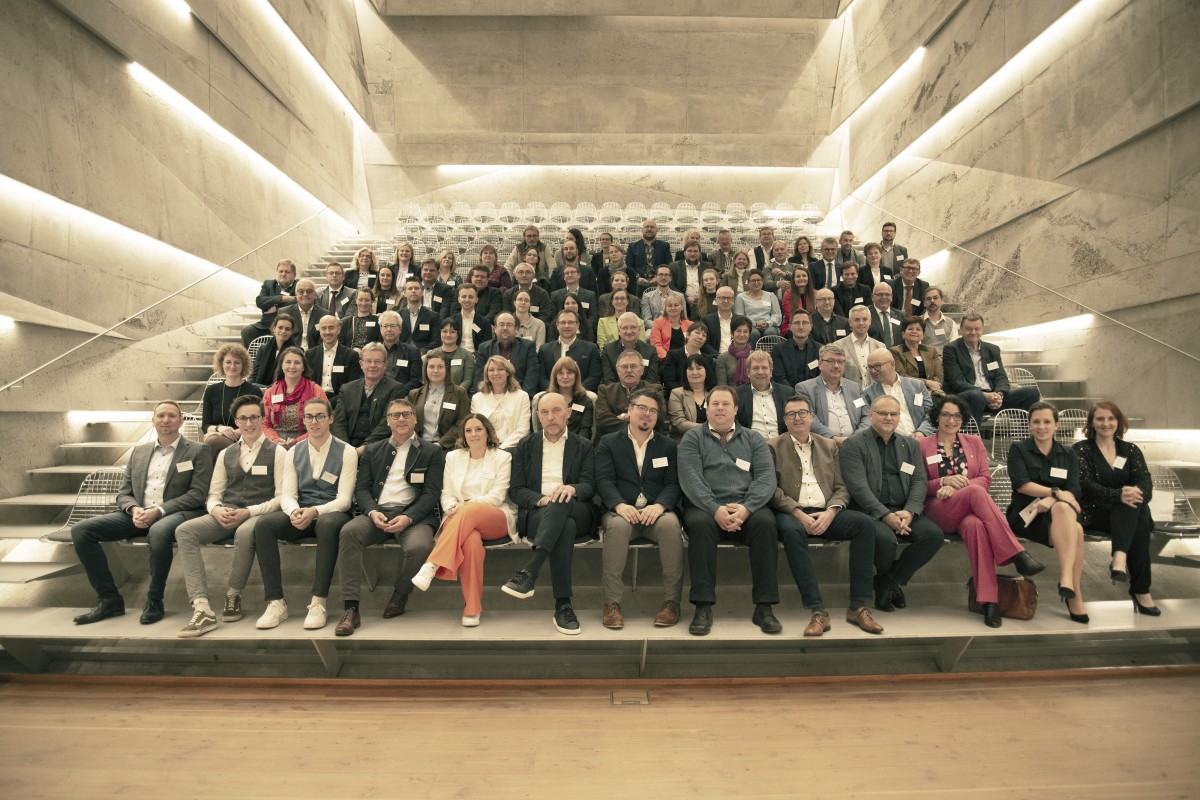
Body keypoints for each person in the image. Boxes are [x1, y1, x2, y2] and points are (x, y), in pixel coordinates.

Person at [70, 401, 213, 625]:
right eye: (161, 416)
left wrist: (158, 510)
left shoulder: (198, 450)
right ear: (153, 420)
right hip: (137, 513)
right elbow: (123, 493)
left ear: (181, 420)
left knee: (157, 531)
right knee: (81, 531)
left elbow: (197, 494)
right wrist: (134, 509)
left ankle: (154, 599)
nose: (166, 420)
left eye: (172, 416)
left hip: (176, 512)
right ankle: (109, 599)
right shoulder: (139, 451)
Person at [919, 395, 1046, 628]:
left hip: (967, 509)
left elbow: (985, 479)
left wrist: (959, 487)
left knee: (976, 526)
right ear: (937, 416)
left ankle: (989, 602)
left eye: (957, 415)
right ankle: (1017, 554)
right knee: (977, 494)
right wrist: (942, 483)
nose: (951, 420)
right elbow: (917, 486)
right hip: (938, 508)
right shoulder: (922, 445)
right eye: (945, 414)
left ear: (963, 419)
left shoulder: (974, 442)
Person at [768, 394, 884, 635]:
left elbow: (842, 487)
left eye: (802, 413)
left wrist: (831, 512)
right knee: (790, 531)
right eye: (791, 414)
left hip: (827, 512)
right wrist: (798, 513)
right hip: (792, 513)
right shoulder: (772, 447)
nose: (797, 418)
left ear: (812, 416)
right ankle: (817, 610)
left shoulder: (829, 445)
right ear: (784, 419)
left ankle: (858, 606)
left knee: (864, 524)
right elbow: (771, 489)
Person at [174, 396, 287, 637]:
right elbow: (214, 493)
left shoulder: (278, 452)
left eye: (254, 417)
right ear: (236, 422)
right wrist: (216, 509)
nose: (249, 423)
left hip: (258, 514)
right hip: (227, 512)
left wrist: (249, 512)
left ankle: (233, 594)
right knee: (185, 531)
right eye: (243, 419)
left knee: (247, 532)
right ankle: (202, 606)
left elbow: (281, 497)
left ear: (262, 419)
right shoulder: (226, 453)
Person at [331, 398, 443, 636]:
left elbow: (432, 493)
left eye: (406, 414)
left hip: (415, 516)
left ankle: (401, 594)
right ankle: (351, 609)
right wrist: (372, 512)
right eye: (395, 415)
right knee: (349, 532)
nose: (401, 419)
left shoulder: (432, 451)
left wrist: (409, 517)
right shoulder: (373, 450)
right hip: (377, 513)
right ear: (388, 421)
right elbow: (361, 489)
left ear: (415, 418)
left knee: (421, 546)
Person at [678, 385, 780, 635]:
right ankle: (703, 606)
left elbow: (766, 478)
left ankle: (764, 606)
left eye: (726, 404)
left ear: (735, 409)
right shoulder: (692, 438)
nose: (720, 408)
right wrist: (715, 509)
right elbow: (691, 479)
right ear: (707, 408)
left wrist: (747, 508)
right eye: (715, 404)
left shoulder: (754, 438)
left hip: (747, 506)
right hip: (705, 507)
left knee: (767, 524)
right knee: (700, 526)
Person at [252, 397, 354, 630]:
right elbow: (288, 493)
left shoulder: (346, 451)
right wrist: (294, 511)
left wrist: (315, 511)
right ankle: (276, 602)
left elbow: (345, 500)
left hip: (332, 511)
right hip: (301, 510)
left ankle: (319, 601)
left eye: (320, 416)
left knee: (327, 526)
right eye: (309, 417)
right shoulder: (294, 451)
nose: (314, 422)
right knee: (264, 525)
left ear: (330, 418)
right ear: (303, 420)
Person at [501, 393, 597, 635]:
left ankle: (530, 571)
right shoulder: (525, 445)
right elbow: (516, 490)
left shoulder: (583, 445)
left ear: (568, 413)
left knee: (561, 501)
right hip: (538, 513)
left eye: (556, 411)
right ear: (538, 416)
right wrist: (540, 499)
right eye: (545, 412)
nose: (551, 417)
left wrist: (571, 489)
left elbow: (590, 485)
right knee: (564, 527)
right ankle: (563, 604)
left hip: (577, 508)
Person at [409, 414, 517, 627]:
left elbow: (497, 497)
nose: (474, 434)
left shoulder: (502, 457)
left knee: (472, 510)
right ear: (463, 435)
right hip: (460, 518)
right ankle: (472, 608)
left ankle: (433, 563)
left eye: (478, 429)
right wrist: (451, 505)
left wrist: (465, 506)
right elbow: (446, 492)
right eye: (469, 430)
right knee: (471, 543)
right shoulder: (453, 457)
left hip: (495, 516)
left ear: (487, 432)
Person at [839, 396, 945, 612]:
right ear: (871, 415)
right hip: (870, 513)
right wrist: (885, 515)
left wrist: (911, 511)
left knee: (933, 535)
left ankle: (888, 581)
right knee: (886, 540)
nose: (888, 417)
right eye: (882, 413)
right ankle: (889, 585)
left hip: (904, 509)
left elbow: (919, 480)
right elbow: (858, 487)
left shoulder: (910, 444)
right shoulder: (854, 444)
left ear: (899, 417)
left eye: (893, 414)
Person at [595, 387, 685, 629]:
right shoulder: (609, 442)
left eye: (653, 411)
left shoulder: (668, 446)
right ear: (629, 410)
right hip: (622, 511)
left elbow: (673, 483)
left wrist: (660, 505)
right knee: (617, 527)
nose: (647, 414)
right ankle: (612, 604)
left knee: (670, 524)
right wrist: (619, 504)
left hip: (655, 514)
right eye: (642, 408)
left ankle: (671, 603)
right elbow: (603, 480)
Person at [1073, 401, 1159, 615]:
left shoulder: (1130, 450)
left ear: (1118, 422)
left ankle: (1120, 557)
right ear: (1092, 422)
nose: (1106, 423)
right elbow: (1085, 486)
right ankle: (1141, 590)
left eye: (1111, 418)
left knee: (1134, 505)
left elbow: (1145, 484)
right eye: (1100, 418)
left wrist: (1130, 494)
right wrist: (1118, 494)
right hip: (1095, 512)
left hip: (1127, 513)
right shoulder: (1081, 450)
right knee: (1135, 511)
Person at [1007, 401, 1089, 623]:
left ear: (1057, 426)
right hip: (1027, 515)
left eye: (1046, 422)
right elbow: (1022, 484)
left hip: (1060, 514)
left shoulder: (1069, 454)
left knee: (1064, 508)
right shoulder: (1019, 449)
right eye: (1036, 422)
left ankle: (1067, 581)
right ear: (1029, 425)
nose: (1041, 427)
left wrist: (1053, 500)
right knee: (1077, 530)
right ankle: (1073, 593)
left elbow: (1073, 491)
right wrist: (1055, 492)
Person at [942, 313, 1040, 427]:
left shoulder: (992, 349)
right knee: (976, 396)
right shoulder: (951, 349)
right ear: (961, 330)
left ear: (982, 330)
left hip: (991, 396)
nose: (973, 332)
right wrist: (984, 395)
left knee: (1031, 392)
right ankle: (973, 441)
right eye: (969, 329)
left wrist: (999, 394)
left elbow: (1001, 377)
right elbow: (957, 382)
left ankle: (1025, 436)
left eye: (977, 329)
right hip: (966, 397)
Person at [331, 342, 406, 455]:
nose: (372, 365)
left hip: (380, 449)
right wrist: (347, 449)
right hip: (347, 449)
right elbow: (338, 423)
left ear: (385, 364)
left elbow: (387, 423)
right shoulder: (347, 389)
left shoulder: (396, 389)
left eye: (377, 361)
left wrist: (364, 448)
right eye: (368, 361)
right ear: (361, 364)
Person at [796, 344, 871, 444]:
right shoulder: (805, 389)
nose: (836, 366)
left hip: (856, 444)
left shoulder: (855, 388)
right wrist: (833, 438)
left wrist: (855, 439)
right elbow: (810, 419)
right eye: (830, 361)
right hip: (823, 444)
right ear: (820, 364)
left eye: (840, 362)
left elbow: (867, 416)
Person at [200, 344, 259, 460]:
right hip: (217, 436)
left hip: (244, 438)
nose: (232, 366)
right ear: (222, 364)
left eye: (237, 362)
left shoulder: (253, 391)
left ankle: (204, 477)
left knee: (212, 441)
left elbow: (258, 422)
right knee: (212, 441)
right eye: (228, 362)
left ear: (243, 365)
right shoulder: (211, 391)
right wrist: (220, 429)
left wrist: (232, 433)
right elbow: (205, 425)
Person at [262, 347, 327, 448]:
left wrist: (297, 441)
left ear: (303, 367)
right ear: (282, 366)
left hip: (308, 442)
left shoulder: (315, 390)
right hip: (274, 443)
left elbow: (323, 422)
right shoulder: (270, 392)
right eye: (288, 362)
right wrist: (275, 440)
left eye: (297, 362)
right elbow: (264, 424)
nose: (292, 366)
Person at [862, 350, 934, 438]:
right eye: (870, 367)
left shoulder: (917, 386)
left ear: (892, 364)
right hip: (893, 443)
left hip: (923, 438)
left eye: (877, 366)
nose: (873, 371)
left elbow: (931, 414)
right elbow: (870, 423)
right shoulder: (868, 394)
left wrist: (922, 432)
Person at [409, 351, 469, 449]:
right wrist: (419, 444)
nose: (435, 370)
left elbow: (462, 423)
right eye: (431, 367)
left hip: (448, 447)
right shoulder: (414, 394)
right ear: (426, 369)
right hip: (418, 446)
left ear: (447, 369)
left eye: (440, 367)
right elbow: (409, 423)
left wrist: (440, 444)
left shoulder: (459, 393)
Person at [595, 350, 664, 436]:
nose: (629, 370)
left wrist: (624, 417)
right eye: (624, 367)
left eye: (633, 366)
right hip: (613, 441)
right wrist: (639, 422)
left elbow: (659, 419)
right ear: (617, 370)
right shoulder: (605, 390)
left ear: (642, 370)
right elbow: (603, 421)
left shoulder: (654, 389)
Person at [471, 355, 532, 449]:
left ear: (508, 372)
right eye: (491, 370)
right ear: (487, 374)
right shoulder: (477, 398)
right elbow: (475, 428)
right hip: (484, 448)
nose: (495, 373)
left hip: (512, 448)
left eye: (500, 369)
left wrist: (502, 448)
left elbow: (523, 429)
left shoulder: (522, 396)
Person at [472, 312, 539, 395]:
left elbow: (532, 375)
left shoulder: (528, 346)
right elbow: (479, 376)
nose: (505, 328)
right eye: (501, 324)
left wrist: (523, 397)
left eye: (509, 325)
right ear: (495, 328)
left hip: (519, 394)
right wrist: (486, 396)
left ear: (516, 329)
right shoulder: (484, 348)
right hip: (491, 395)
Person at [532, 356, 596, 442]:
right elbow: (541, 429)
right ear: (555, 376)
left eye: (569, 373)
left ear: (576, 376)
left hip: (577, 446)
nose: (565, 377)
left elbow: (585, 430)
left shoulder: (585, 400)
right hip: (549, 444)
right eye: (560, 373)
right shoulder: (544, 399)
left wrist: (575, 447)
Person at [538, 309, 602, 392]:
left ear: (578, 325)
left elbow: (594, 376)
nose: (567, 326)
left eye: (571, 322)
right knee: (536, 398)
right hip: (552, 394)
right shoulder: (544, 349)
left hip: (581, 394)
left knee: (592, 397)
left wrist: (576, 391)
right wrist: (554, 391)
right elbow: (541, 378)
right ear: (557, 325)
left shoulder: (591, 348)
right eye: (563, 322)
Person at [304, 315, 361, 407]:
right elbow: (306, 383)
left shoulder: (351, 356)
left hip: (340, 402)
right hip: (313, 401)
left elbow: (351, 387)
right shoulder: (310, 355)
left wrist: (329, 403)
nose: (327, 332)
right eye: (323, 328)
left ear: (339, 329)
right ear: (319, 330)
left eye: (331, 328)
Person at [241, 259, 297, 346]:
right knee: (247, 331)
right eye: (280, 271)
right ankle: (252, 359)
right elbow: (260, 301)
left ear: (294, 274)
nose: (283, 274)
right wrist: (283, 298)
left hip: (286, 326)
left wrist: (276, 309)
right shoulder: (269, 284)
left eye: (287, 272)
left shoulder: (298, 285)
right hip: (266, 325)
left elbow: (298, 301)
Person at [601, 311, 658, 384]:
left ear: (639, 330)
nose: (629, 331)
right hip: (617, 393)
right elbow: (608, 381)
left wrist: (636, 394)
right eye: (625, 328)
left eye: (633, 327)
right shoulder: (608, 350)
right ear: (619, 331)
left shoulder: (650, 351)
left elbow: (651, 381)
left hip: (644, 393)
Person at [891, 317, 944, 395]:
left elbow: (939, 374)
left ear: (923, 334)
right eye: (910, 329)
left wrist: (932, 387)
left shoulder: (932, 351)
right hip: (907, 392)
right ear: (903, 334)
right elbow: (901, 376)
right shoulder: (895, 351)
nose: (914, 332)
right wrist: (926, 383)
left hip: (933, 392)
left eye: (918, 329)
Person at [668, 353, 714, 441]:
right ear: (685, 372)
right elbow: (679, 423)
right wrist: (708, 428)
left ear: (706, 371)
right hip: (685, 441)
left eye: (699, 368)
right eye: (690, 369)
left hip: (711, 441)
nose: (695, 372)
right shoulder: (677, 393)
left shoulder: (715, 393)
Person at [835, 306, 884, 386]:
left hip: (875, 396)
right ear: (850, 322)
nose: (861, 323)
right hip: (850, 395)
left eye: (865, 319)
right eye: (857, 320)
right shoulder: (838, 346)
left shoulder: (880, 347)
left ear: (870, 321)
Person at [772, 309, 821, 388]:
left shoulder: (820, 349)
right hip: (788, 395)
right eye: (797, 323)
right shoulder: (778, 349)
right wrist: (793, 394)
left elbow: (821, 377)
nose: (801, 327)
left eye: (805, 323)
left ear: (811, 327)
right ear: (790, 327)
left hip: (813, 393)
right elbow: (779, 378)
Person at [377, 310, 424, 394]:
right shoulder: (374, 351)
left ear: (400, 329)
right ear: (380, 329)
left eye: (392, 326)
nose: (389, 329)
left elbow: (416, 380)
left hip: (402, 396)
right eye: (385, 326)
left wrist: (398, 393)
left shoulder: (412, 352)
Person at [278, 279, 326, 352]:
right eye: (301, 291)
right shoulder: (285, 312)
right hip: (290, 354)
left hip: (315, 356)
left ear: (315, 295)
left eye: (309, 291)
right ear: (296, 295)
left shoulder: (324, 315)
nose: (305, 294)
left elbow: (324, 341)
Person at [626, 218, 672, 293]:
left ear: (656, 230)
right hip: (639, 283)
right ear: (642, 230)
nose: (649, 229)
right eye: (647, 227)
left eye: (652, 227)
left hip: (659, 282)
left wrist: (659, 277)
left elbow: (668, 265)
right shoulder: (633, 246)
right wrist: (637, 278)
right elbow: (629, 266)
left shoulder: (664, 246)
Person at [662, 322, 712, 393]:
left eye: (704, 335)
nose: (700, 337)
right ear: (687, 335)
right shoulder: (673, 355)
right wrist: (687, 394)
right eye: (697, 333)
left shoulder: (708, 359)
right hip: (678, 396)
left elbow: (710, 383)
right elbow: (669, 381)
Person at [446, 282, 494, 354]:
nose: (467, 300)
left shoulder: (485, 322)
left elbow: (486, 346)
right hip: (455, 356)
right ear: (459, 299)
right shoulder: (451, 321)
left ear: (476, 299)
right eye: (464, 296)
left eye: (471, 297)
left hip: (477, 356)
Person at [430, 318, 475, 393]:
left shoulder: (467, 355)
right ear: (440, 333)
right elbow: (425, 379)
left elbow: (468, 380)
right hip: (434, 393)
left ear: (458, 334)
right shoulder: (431, 354)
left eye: (452, 332)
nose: (448, 335)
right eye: (444, 331)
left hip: (457, 395)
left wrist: (455, 393)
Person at [733, 269, 782, 338]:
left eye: (759, 280)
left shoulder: (771, 295)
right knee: (753, 333)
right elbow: (740, 317)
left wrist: (768, 323)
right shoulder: (741, 297)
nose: (756, 283)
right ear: (748, 282)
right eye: (753, 280)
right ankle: (749, 349)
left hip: (768, 325)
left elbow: (777, 314)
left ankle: (774, 349)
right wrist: (754, 323)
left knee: (771, 332)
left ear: (762, 282)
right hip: (749, 325)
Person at [251, 314, 295, 387]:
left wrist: (267, 390)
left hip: (282, 389)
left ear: (291, 332)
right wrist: (250, 386)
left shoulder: (295, 352)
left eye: (287, 329)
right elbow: (254, 374)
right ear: (274, 328)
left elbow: (288, 379)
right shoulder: (263, 349)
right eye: (280, 327)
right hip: (260, 388)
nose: (283, 331)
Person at [397, 278, 439, 352]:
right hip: (400, 353)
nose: (413, 291)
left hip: (424, 355)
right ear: (404, 293)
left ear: (422, 292)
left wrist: (423, 352)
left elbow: (436, 341)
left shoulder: (433, 316)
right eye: (410, 288)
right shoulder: (397, 315)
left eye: (416, 288)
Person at [715, 315, 755, 387]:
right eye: (738, 331)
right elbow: (722, 387)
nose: (742, 334)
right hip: (730, 396)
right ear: (732, 333)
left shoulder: (755, 357)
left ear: (749, 335)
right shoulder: (723, 358)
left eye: (745, 331)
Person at [649, 294, 692, 361]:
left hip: (687, 359)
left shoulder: (690, 325)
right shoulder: (658, 323)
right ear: (665, 308)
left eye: (676, 305)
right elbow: (656, 345)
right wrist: (670, 358)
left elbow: (693, 345)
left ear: (682, 307)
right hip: (665, 360)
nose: (673, 308)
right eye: (669, 306)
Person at [699, 286, 738, 356]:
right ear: (716, 300)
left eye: (729, 298)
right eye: (722, 298)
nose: (726, 301)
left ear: (733, 301)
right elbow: (704, 344)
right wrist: (720, 357)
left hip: (737, 358)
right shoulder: (706, 320)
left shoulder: (740, 320)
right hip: (715, 359)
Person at [669, 241, 706, 312]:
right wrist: (686, 298)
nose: (693, 254)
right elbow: (672, 287)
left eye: (695, 251)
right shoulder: (674, 266)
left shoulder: (707, 266)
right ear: (684, 253)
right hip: (681, 303)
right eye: (689, 251)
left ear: (700, 253)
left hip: (702, 303)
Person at [780, 265, 815, 336]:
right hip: (792, 326)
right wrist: (802, 325)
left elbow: (816, 315)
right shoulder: (788, 294)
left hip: (812, 325)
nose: (801, 278)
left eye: (804, 276)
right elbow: (789, 315)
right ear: (794, 279)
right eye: (798, 276)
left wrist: (807, 326)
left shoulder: (815, 294)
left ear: (808, 278)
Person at [921, 287, 958, 353]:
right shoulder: (917, 322)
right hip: (925, 360)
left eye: (935, 298)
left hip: (946, 360)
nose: (932, 301)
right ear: (924, 303)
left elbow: (954, 347)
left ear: (942, 300)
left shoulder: (951, 323)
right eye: (928, 299)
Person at [866, 283, 903, 349]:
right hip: (873, 355)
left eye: (887, 294)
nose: (884, 297)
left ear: (891, 297)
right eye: (880, 294)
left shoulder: (901, 315)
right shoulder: (865, 314)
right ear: (872, 297)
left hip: (896, 356)